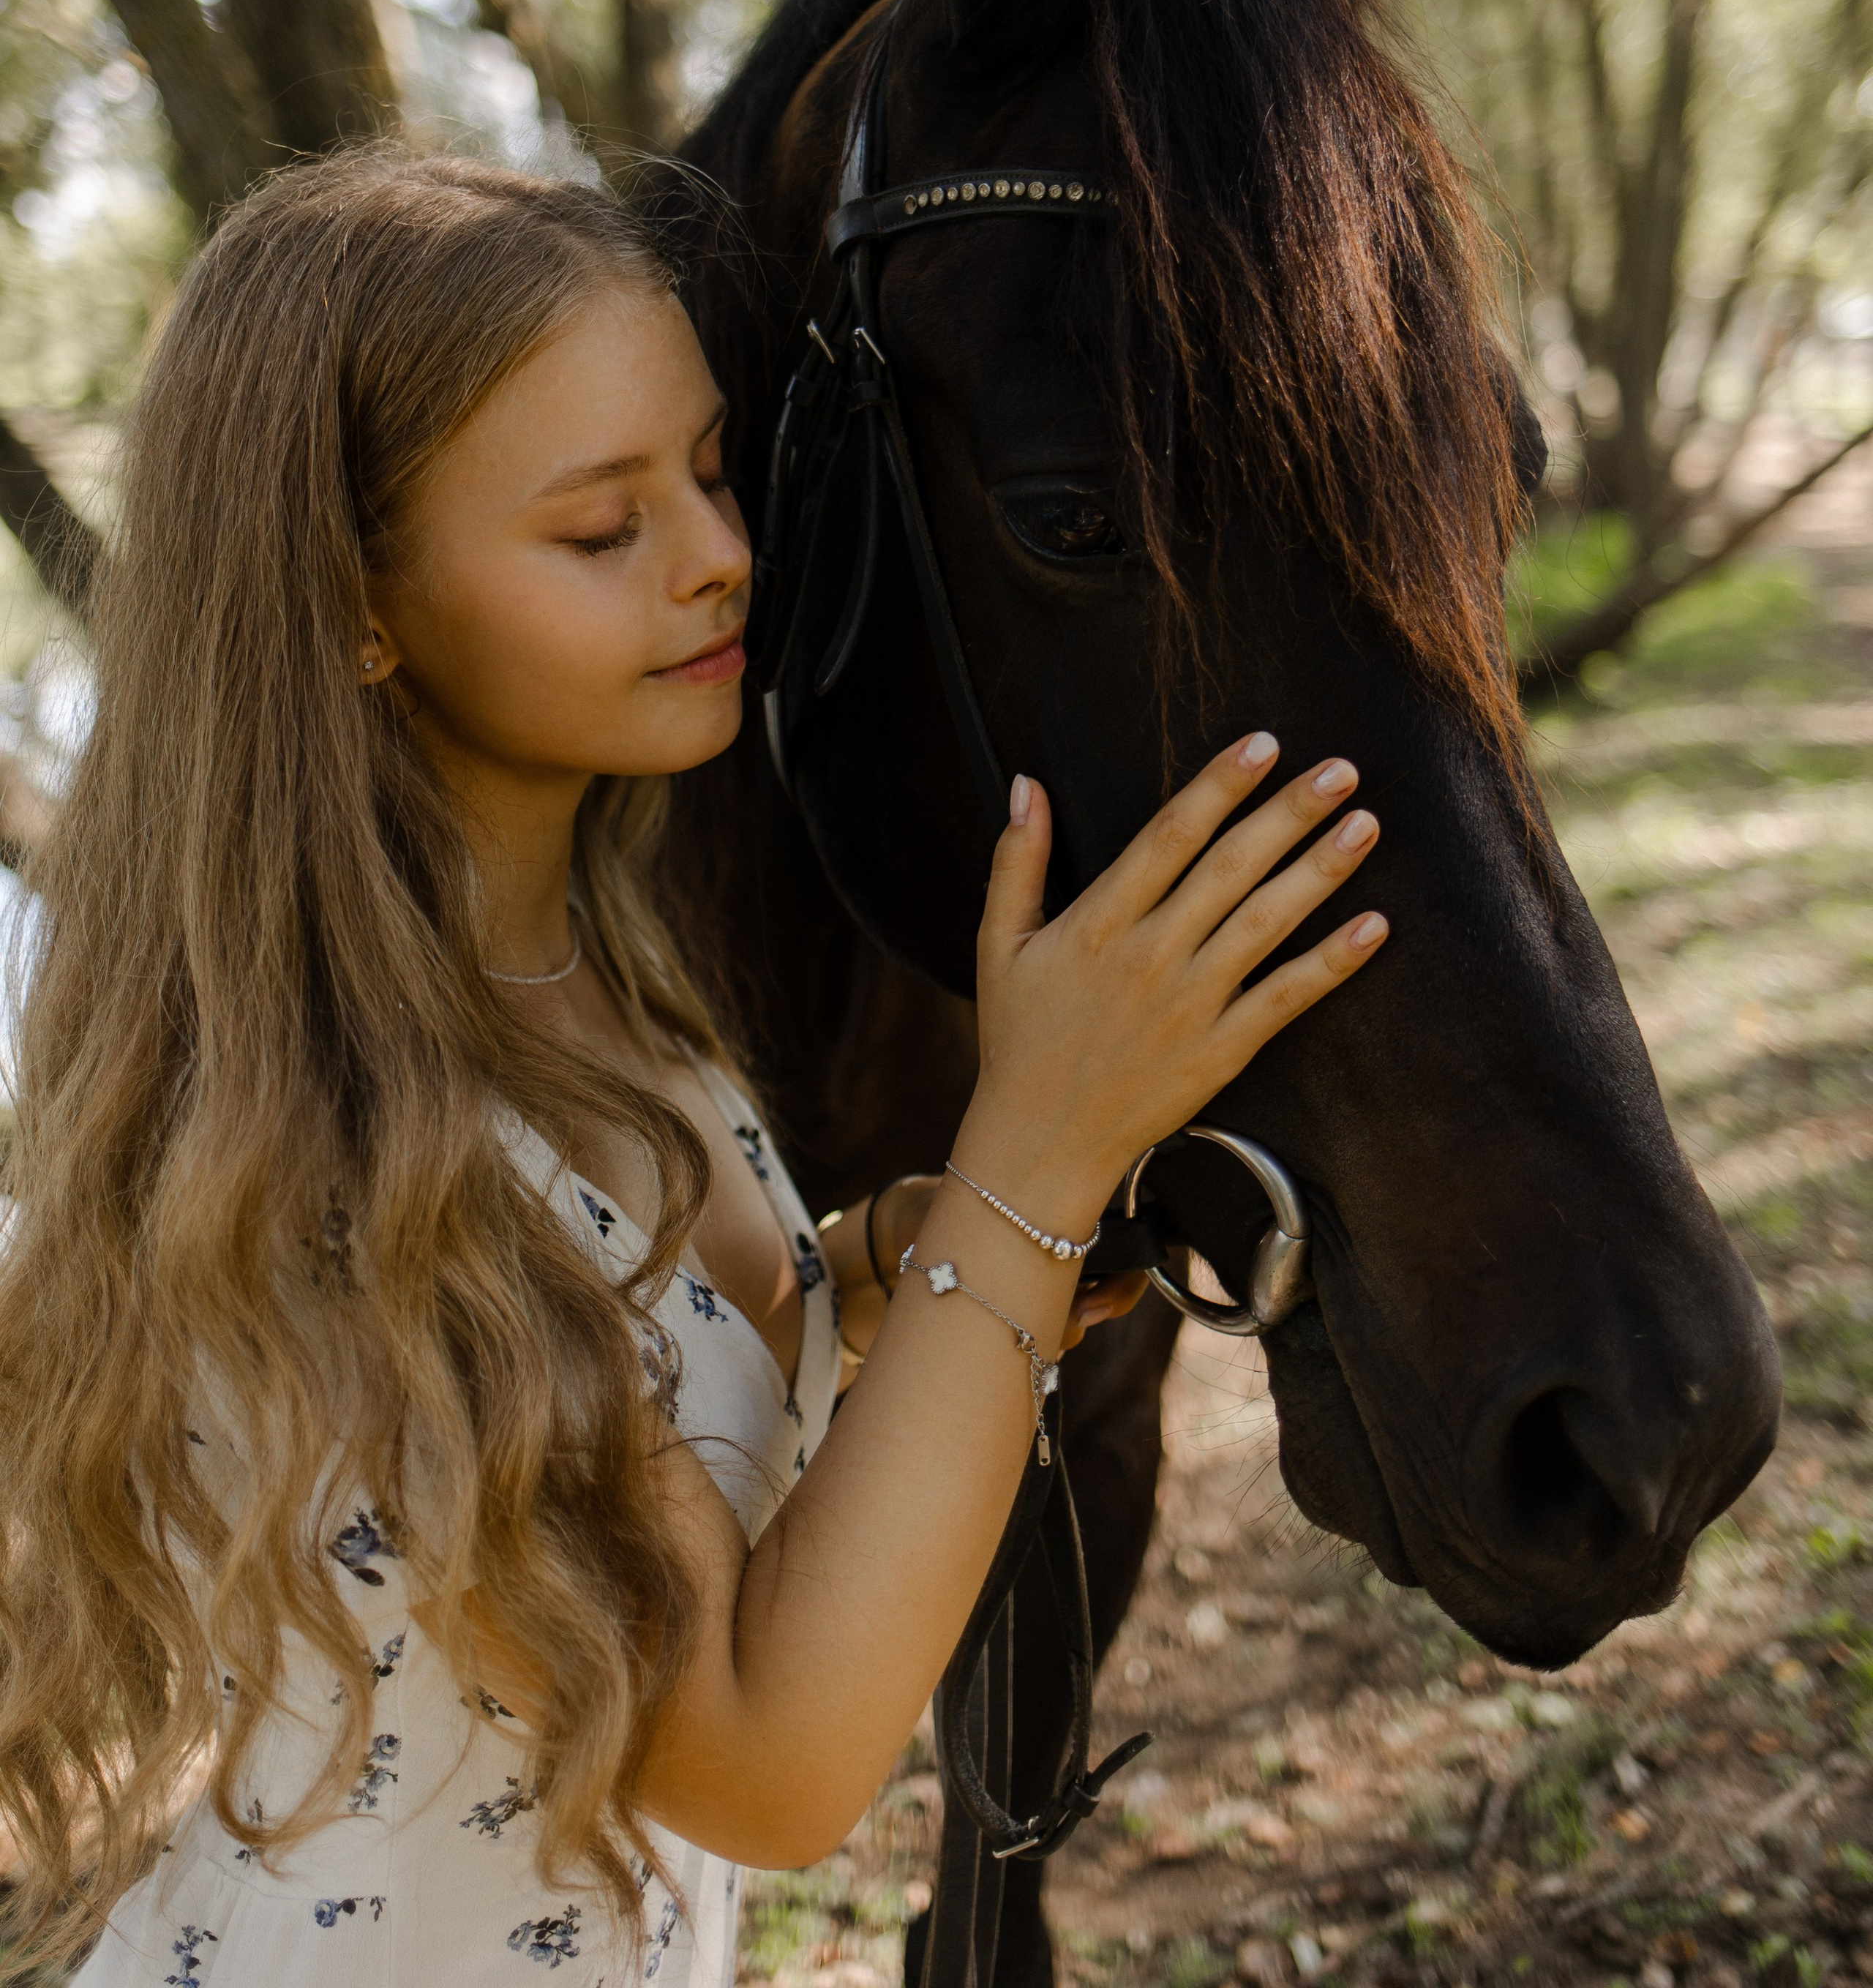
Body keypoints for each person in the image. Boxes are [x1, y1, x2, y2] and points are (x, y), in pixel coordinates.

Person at [0, 153, 1387, 1985]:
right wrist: (1026, 1168)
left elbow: (628, 1366)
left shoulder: (577, 975)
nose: (720, 552)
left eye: (711, 470)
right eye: (601, 529)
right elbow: (765, 1762)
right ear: (354, 603)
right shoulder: (350, 1132)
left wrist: (884, 1268)